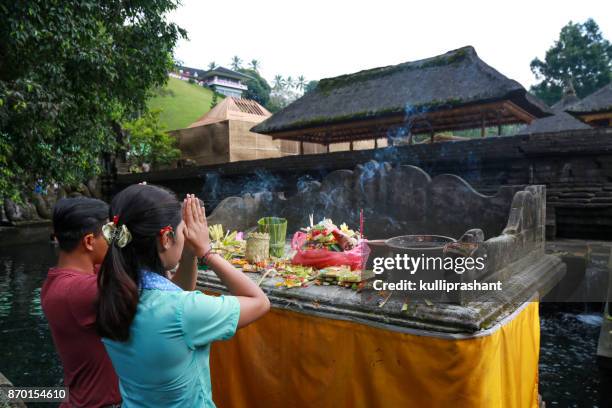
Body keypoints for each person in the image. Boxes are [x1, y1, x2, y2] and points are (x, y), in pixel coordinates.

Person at [96, 185, 270, 407]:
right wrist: (206, 251)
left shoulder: (111, 293)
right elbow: (259, 302)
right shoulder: (183, 311)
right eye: (180, 231)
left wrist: (188, 254)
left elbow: (176, 297)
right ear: (166, 238)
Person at [41, 197, 122, 408]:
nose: (113, 239)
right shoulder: (80, 291)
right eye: (108, 233)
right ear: (88, 241)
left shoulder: (61, 281)